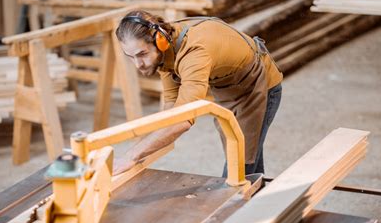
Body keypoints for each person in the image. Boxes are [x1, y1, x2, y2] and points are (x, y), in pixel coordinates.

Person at [113, 10, 283, 177]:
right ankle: (258, 195)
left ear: (160, 41)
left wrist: (130, 156)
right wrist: (152, 142)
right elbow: (172, 105)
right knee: (248, 163)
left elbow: (182, 121)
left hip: (257, 87)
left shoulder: (194, 53)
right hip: (230, 88)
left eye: (142, 54)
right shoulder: (165, 49)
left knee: (239, 167)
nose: (138, 65)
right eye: (130, 56)